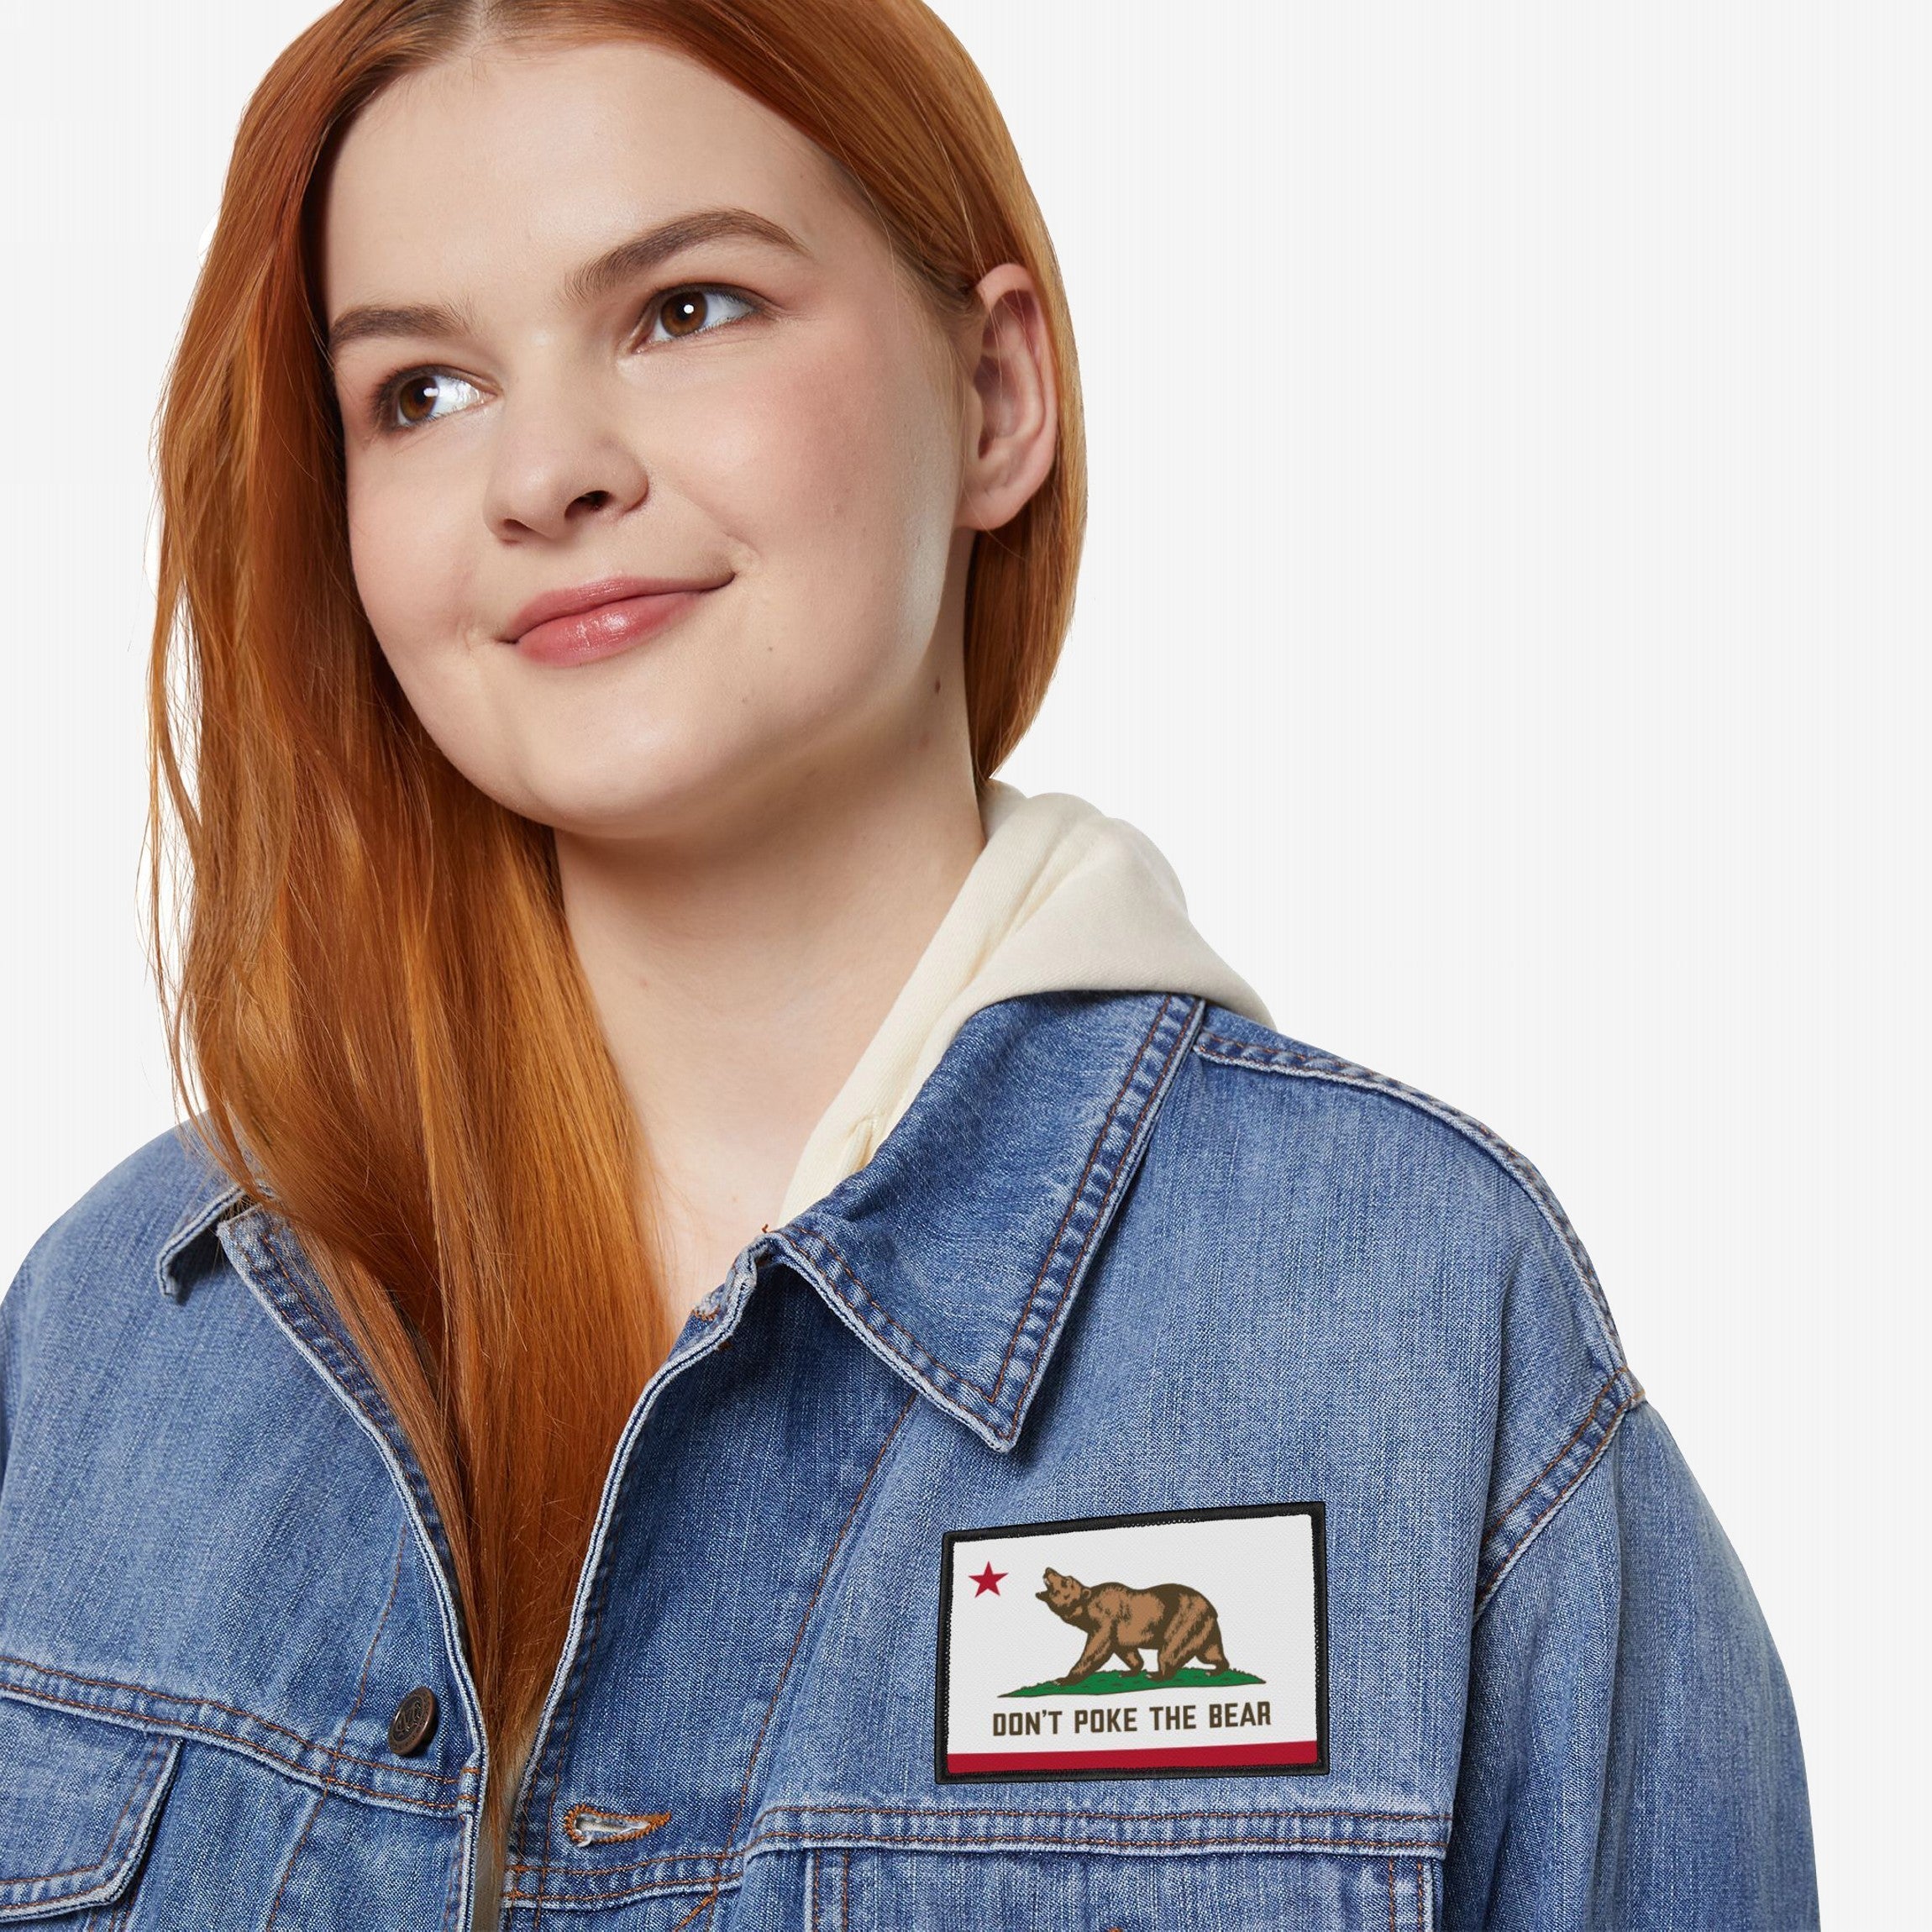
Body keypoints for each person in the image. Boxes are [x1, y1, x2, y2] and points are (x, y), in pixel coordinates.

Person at [0, 3, 1817, 1927]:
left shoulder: (1415, 1330)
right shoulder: (127, 1328)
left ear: (998, 393)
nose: (543, 475)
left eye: (685, 307)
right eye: (422, 392)